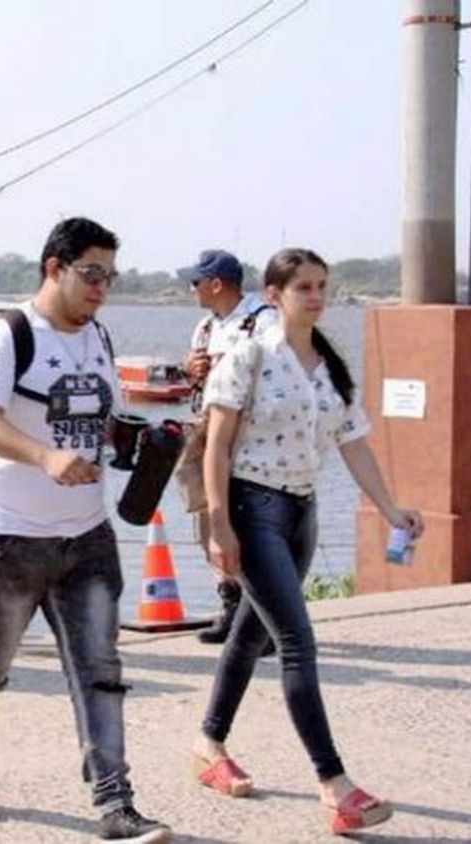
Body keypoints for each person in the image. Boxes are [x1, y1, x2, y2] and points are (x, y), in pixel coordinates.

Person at [0, 218, 173, 843]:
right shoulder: (8, 336)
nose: (102, 288)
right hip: (7, 536)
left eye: (110, 277)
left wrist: (140, 442)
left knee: (100, 669)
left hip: (86, 535)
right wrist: (44, 457)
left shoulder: (98, 335)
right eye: (91, 274)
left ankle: (115, 802)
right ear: (54, 268)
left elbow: (96, 417)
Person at [192, 248, 422, 835]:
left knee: (249, 635)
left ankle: (209, 745)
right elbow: (216, 445)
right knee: (295, 640)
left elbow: (353, 443)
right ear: (274, 294)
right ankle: (335, 786)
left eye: (322, 286)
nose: (316, 297)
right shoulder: (247, 355)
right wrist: (218, 523)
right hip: (253, 506)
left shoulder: (329, 366)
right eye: (303, 288)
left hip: (302, 510)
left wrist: (392, 509)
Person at [176, 249, 278, 645]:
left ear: (216, 284)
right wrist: (192, 371)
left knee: (249, 526)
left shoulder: (263, 323)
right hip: (207, 434)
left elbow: (278, 376)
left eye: (195, 282)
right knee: (209, 521)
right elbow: (196, 384)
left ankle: (262, 618)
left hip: (247, 439)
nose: (191, 290)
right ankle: (231, 604)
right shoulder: (204, 327)